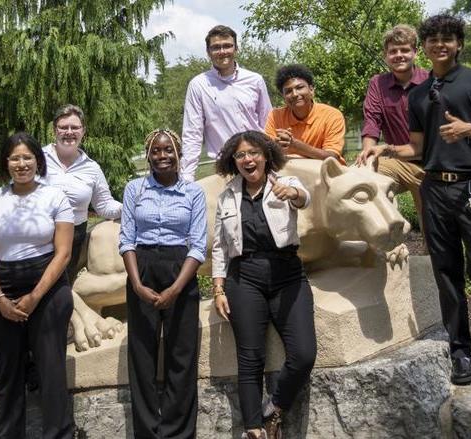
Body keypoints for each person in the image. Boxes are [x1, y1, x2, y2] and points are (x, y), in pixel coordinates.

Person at [371, 14, 471, 389]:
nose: (439, 45)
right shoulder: (419, 94)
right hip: (434, 189)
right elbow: (417, 148)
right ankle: (460, 353)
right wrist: (386, 147)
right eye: (433, 39)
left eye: (447, 39)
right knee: (446, 276)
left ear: (458, 44)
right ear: (426, 46)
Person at [212, 131, 317, 439]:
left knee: (303, 354)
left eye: (254, 152)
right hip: (244, 277)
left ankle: (275, 408)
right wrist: (218, 288)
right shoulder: (227, 195)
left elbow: (305, 197)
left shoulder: (285, 183)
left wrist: (292, 194)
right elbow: (219, 246)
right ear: (234, 161)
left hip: (287, 274)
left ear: (266, 155)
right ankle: (254, 428)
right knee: (250, 357)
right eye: (241, 155)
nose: (248, 159)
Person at [0, 132, 75, 438]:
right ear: (6, 163)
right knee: (7, 372)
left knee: (51, 371)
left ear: (38, 161)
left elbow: (64, 253)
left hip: (48, 288)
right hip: (2, 289)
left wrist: (34, 297)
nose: (22, 164)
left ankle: (58, 433)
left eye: (27, 157)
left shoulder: (54, 197)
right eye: (15, 158)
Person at [119, 129, 207, 438]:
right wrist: (137, 284)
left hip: (180, 270)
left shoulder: (193, 193)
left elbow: (198, 246)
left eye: (168, 150)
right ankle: (147, 432)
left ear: (179, 153)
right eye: (156, 151)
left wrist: (176, 288)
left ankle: (177, 432)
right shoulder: (135, 189)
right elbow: (126, 240)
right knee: (142, 356)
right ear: (148, 155)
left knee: (181, 357)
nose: (162, 156)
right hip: (141, 269)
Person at [356, 25, 429, 228]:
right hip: (397, 160)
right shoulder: (378, 83)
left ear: (415, 52)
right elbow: (372, 121)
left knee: (433, 228)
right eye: (393, 51)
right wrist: (368, 153)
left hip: (430, 164)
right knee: (362, 180)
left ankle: (434, 255)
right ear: (386, 55)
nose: (399, 55)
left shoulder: (431, 80)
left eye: (404, 50)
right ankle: (388, 244)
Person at [180, 25, 273, 181]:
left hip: (258, 163)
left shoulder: (255, 80)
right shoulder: (198, 85)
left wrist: (272, 159)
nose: (222, 51)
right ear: (208, 52)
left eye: (227, 46)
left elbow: (268, 122)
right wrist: (187, 177)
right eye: (216, 47)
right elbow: (192, 133)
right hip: (225, 167)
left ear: (236, 48)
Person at [43, 104, 122, 281]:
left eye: (75, 127)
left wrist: (130, 208)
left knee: (61, 294)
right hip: (38, 238)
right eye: (63, 127)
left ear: (83, 131)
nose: (69, 132)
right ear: (55, 130)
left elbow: (104, 205)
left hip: (72, 241)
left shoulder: (92, 168)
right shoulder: (38, 158)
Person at [265, 64, 347, 164]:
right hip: (289, 174)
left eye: (299, 87)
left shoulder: (332, 115)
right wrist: (276, 146)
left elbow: (332, 156)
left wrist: (296, 146)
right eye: (288, 91)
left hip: (326, 173)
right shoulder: (275, 116)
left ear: (311, 90)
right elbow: (268, 152)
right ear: (283, 96)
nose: (295, 94)